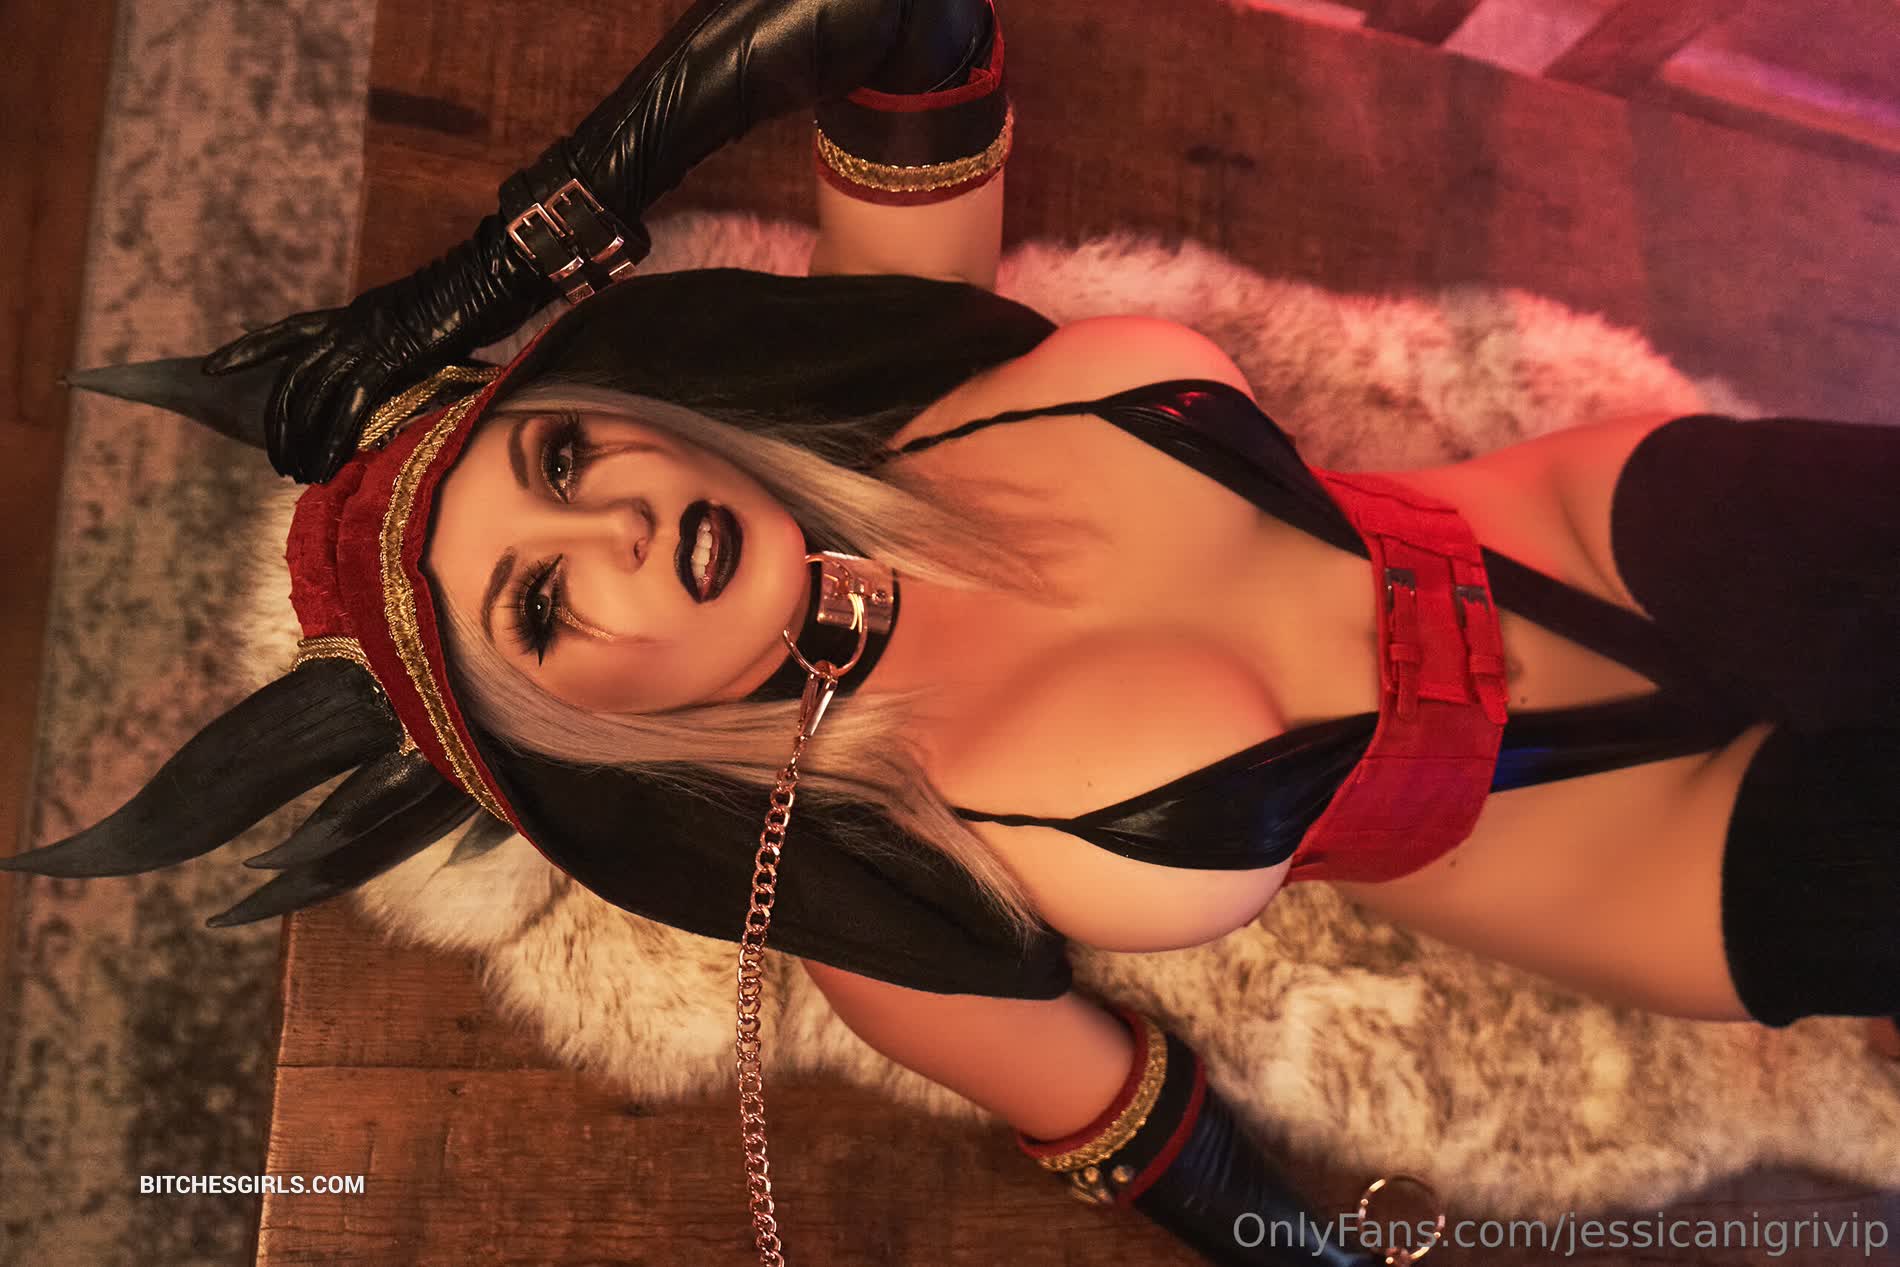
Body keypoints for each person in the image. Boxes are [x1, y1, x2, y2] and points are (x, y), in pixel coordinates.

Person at [10, 0, 1899, 1263]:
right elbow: (1144, 1136)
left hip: (1633, 523)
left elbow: (894, 15)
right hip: (1671, 872)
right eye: (543, 598)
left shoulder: (906, 364)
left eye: (562, 456)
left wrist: (493, 268)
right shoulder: (870, 884)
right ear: (574, 727)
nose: (616, 523)